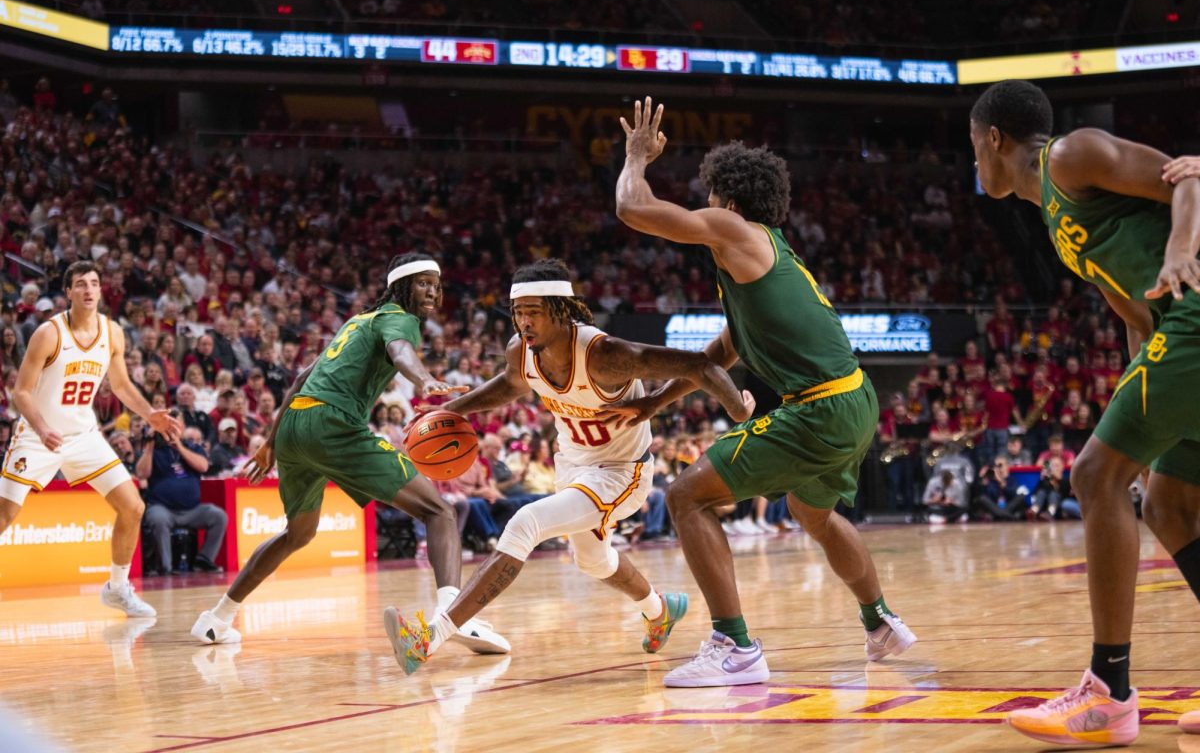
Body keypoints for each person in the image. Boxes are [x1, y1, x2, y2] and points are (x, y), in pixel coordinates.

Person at [608, 97, 916, 688]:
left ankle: (735, 646)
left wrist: (635, 157)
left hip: (820, 408)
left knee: (686, 498)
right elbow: (718, 355)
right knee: (812, 512)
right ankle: (880, 622)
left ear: (727, 197)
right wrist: (653, 403)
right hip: (855, 399)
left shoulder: (733, 229)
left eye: (710, 194)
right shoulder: (771, 256)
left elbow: (631, 207)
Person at [385, 258, 753, 675]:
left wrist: (737, 408)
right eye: (518, 313)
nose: (524, 322)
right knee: (592, 560)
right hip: (572, 465)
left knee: (526, 522)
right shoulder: (520, 350)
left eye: (534, 312)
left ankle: (430, 637)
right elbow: (510, 384)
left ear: (561, 310)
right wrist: (452, 409)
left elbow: (698, 366)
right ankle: (659, 609)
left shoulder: (605, 355)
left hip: (621, 471)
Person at [970, 80, 1200, 744]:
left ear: (992, 139)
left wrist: (1182, 250)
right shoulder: (1052, 214)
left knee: (1095, 476)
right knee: (1168, 506)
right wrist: (1136, 373)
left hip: (1195, 317)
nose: (973, 163)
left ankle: (1109, 693)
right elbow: (1130, 306)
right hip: (1172, 336)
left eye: (972, 147)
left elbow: (1188, 180)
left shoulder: (1070, 155)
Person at [191, 253, 510, 660]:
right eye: (423, 282)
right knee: (440, 511)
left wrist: (272, 440)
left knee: (298, 533)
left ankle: (217, 619)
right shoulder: (399, 318)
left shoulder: (357, 320)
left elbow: (303, 377)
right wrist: (424, 379)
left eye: (437, 283)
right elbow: (399, 352)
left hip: (295, 425)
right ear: (401, 287)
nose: (433, 291)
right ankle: (453, 613)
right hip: (333, 423)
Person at [0, 261, 182, 616]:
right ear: (67, 292)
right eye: (80, 284)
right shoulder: (48, 333)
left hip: (83, 435)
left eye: (94, 283)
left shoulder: (112, 332)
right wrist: (41, 427)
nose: (88, 290)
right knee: (5, 517)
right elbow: (21, 393)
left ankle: (117, 589)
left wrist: (150, 415)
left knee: (133, 507)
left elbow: (121, 385)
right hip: (38, 437)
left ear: (101, 290)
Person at [137, 423, 227, 574]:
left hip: (193, 510)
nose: (170, 430)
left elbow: (203, 467)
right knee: (158, 518)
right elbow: (141, 474)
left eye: (174, 425)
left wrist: (179, 447)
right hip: (163, 507)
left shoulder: (193, 447)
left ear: (181, 428)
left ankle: (203, 559)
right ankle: (166, 567)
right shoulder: (153, 451)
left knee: (218, 516)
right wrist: (150, 445)